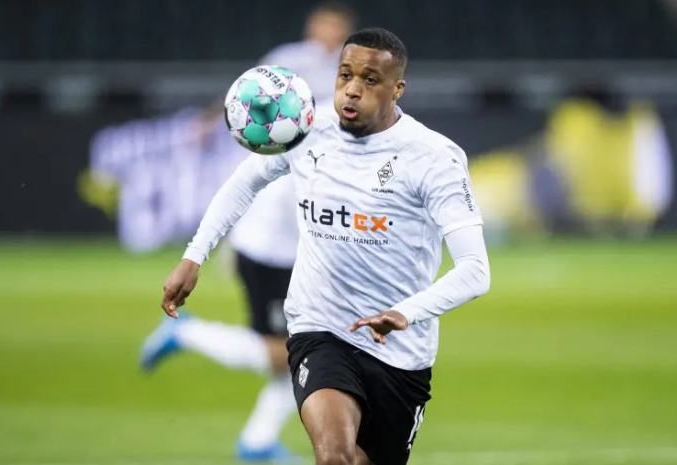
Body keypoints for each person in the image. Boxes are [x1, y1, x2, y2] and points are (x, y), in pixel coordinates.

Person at [159, 27, 491, 465]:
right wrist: (194, 255)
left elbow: (475, 270)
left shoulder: (434, 158)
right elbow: (243, 184)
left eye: (370, 79)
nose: (352, 89)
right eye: (345, 75)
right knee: (334, 455)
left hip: (400, 352)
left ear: (397, 89)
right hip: (320, 329)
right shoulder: (306, 130)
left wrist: (406, 312)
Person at [140, 3, 355, 463]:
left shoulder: (330, 111)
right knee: (295, 352)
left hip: (288, 249)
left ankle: (257, 441)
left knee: (308, 349)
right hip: (271, 253)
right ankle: (188, 335)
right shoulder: (304, 118)